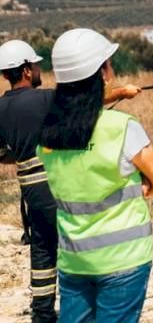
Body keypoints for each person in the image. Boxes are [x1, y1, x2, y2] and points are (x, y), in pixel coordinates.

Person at [0, 39, 142, 323]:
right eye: (37, 65)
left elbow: (3, 155)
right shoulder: (45, 99)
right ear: (26, 70)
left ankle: (42, 313)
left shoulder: (0, 109)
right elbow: (81, 106)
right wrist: (122, 94)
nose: (40, 70)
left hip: (30, 190)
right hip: (56, 183)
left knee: (42, 248)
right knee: (72, 244)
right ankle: (84, 305)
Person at [36, 29, 153, 323]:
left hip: (74, 258)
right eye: (108, 63)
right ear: (103, 73)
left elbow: (78, 115)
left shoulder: (48, 134)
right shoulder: (121, 127)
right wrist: (143, 189)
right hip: (124, 258)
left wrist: (120, 93)